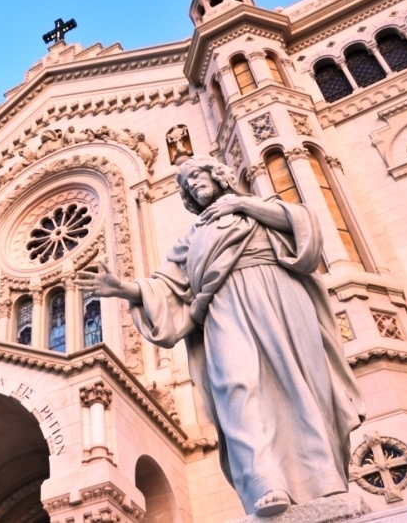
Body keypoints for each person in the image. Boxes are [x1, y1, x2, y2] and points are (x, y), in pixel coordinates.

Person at [75, 156, 365, 516]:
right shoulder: (193, 237)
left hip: (277, 297)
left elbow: (304, 229)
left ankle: (322, 479)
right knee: (235, 389)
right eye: (186, 183)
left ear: (219, 176)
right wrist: (124, 288)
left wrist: (242, 205)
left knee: (297, 384)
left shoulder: (261, 209)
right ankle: (265, 481)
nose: (193, 184)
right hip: (222, 310)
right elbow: (167, 286)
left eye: (198, 175)